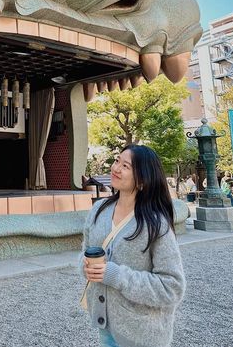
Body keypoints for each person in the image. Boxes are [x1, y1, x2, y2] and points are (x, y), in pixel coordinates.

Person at [81, 145, 186, 347]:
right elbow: (85, 253)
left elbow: (172, 287)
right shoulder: (98, 211)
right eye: (117, 160)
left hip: (143, 334)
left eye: (126, 166)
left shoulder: (156, 224)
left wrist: (116, 275)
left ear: (143, 179)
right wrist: (86, 267)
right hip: (106, 328)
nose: (116, 168)